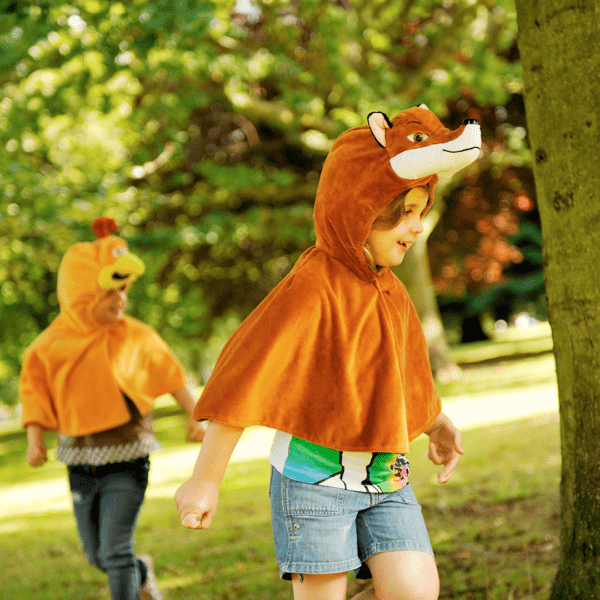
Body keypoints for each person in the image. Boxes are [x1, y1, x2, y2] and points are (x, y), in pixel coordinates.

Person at [175, 105, 482, 599]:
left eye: (420, 212)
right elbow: (246, 377)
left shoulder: (394, 292)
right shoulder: (313, 284)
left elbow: (404, 374)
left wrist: (435, 421)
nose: (417, 227)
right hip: (312, 482)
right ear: (361, 208)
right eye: (403, 214)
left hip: (388, 477)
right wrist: (204, 480)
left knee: (413, 592)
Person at [21, 217, 207, 600]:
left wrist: (195, 415)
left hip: (128, 458)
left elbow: (168, 373)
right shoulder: (48, 345)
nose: (120, 299)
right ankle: (141, 571)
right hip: (80, 463)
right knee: (96, 555)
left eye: (123, 290)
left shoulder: (134, 335)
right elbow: (34, 391)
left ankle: (129, 573)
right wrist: (35, 439)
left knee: (115, 550)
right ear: (80, 294)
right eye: (109, 292)